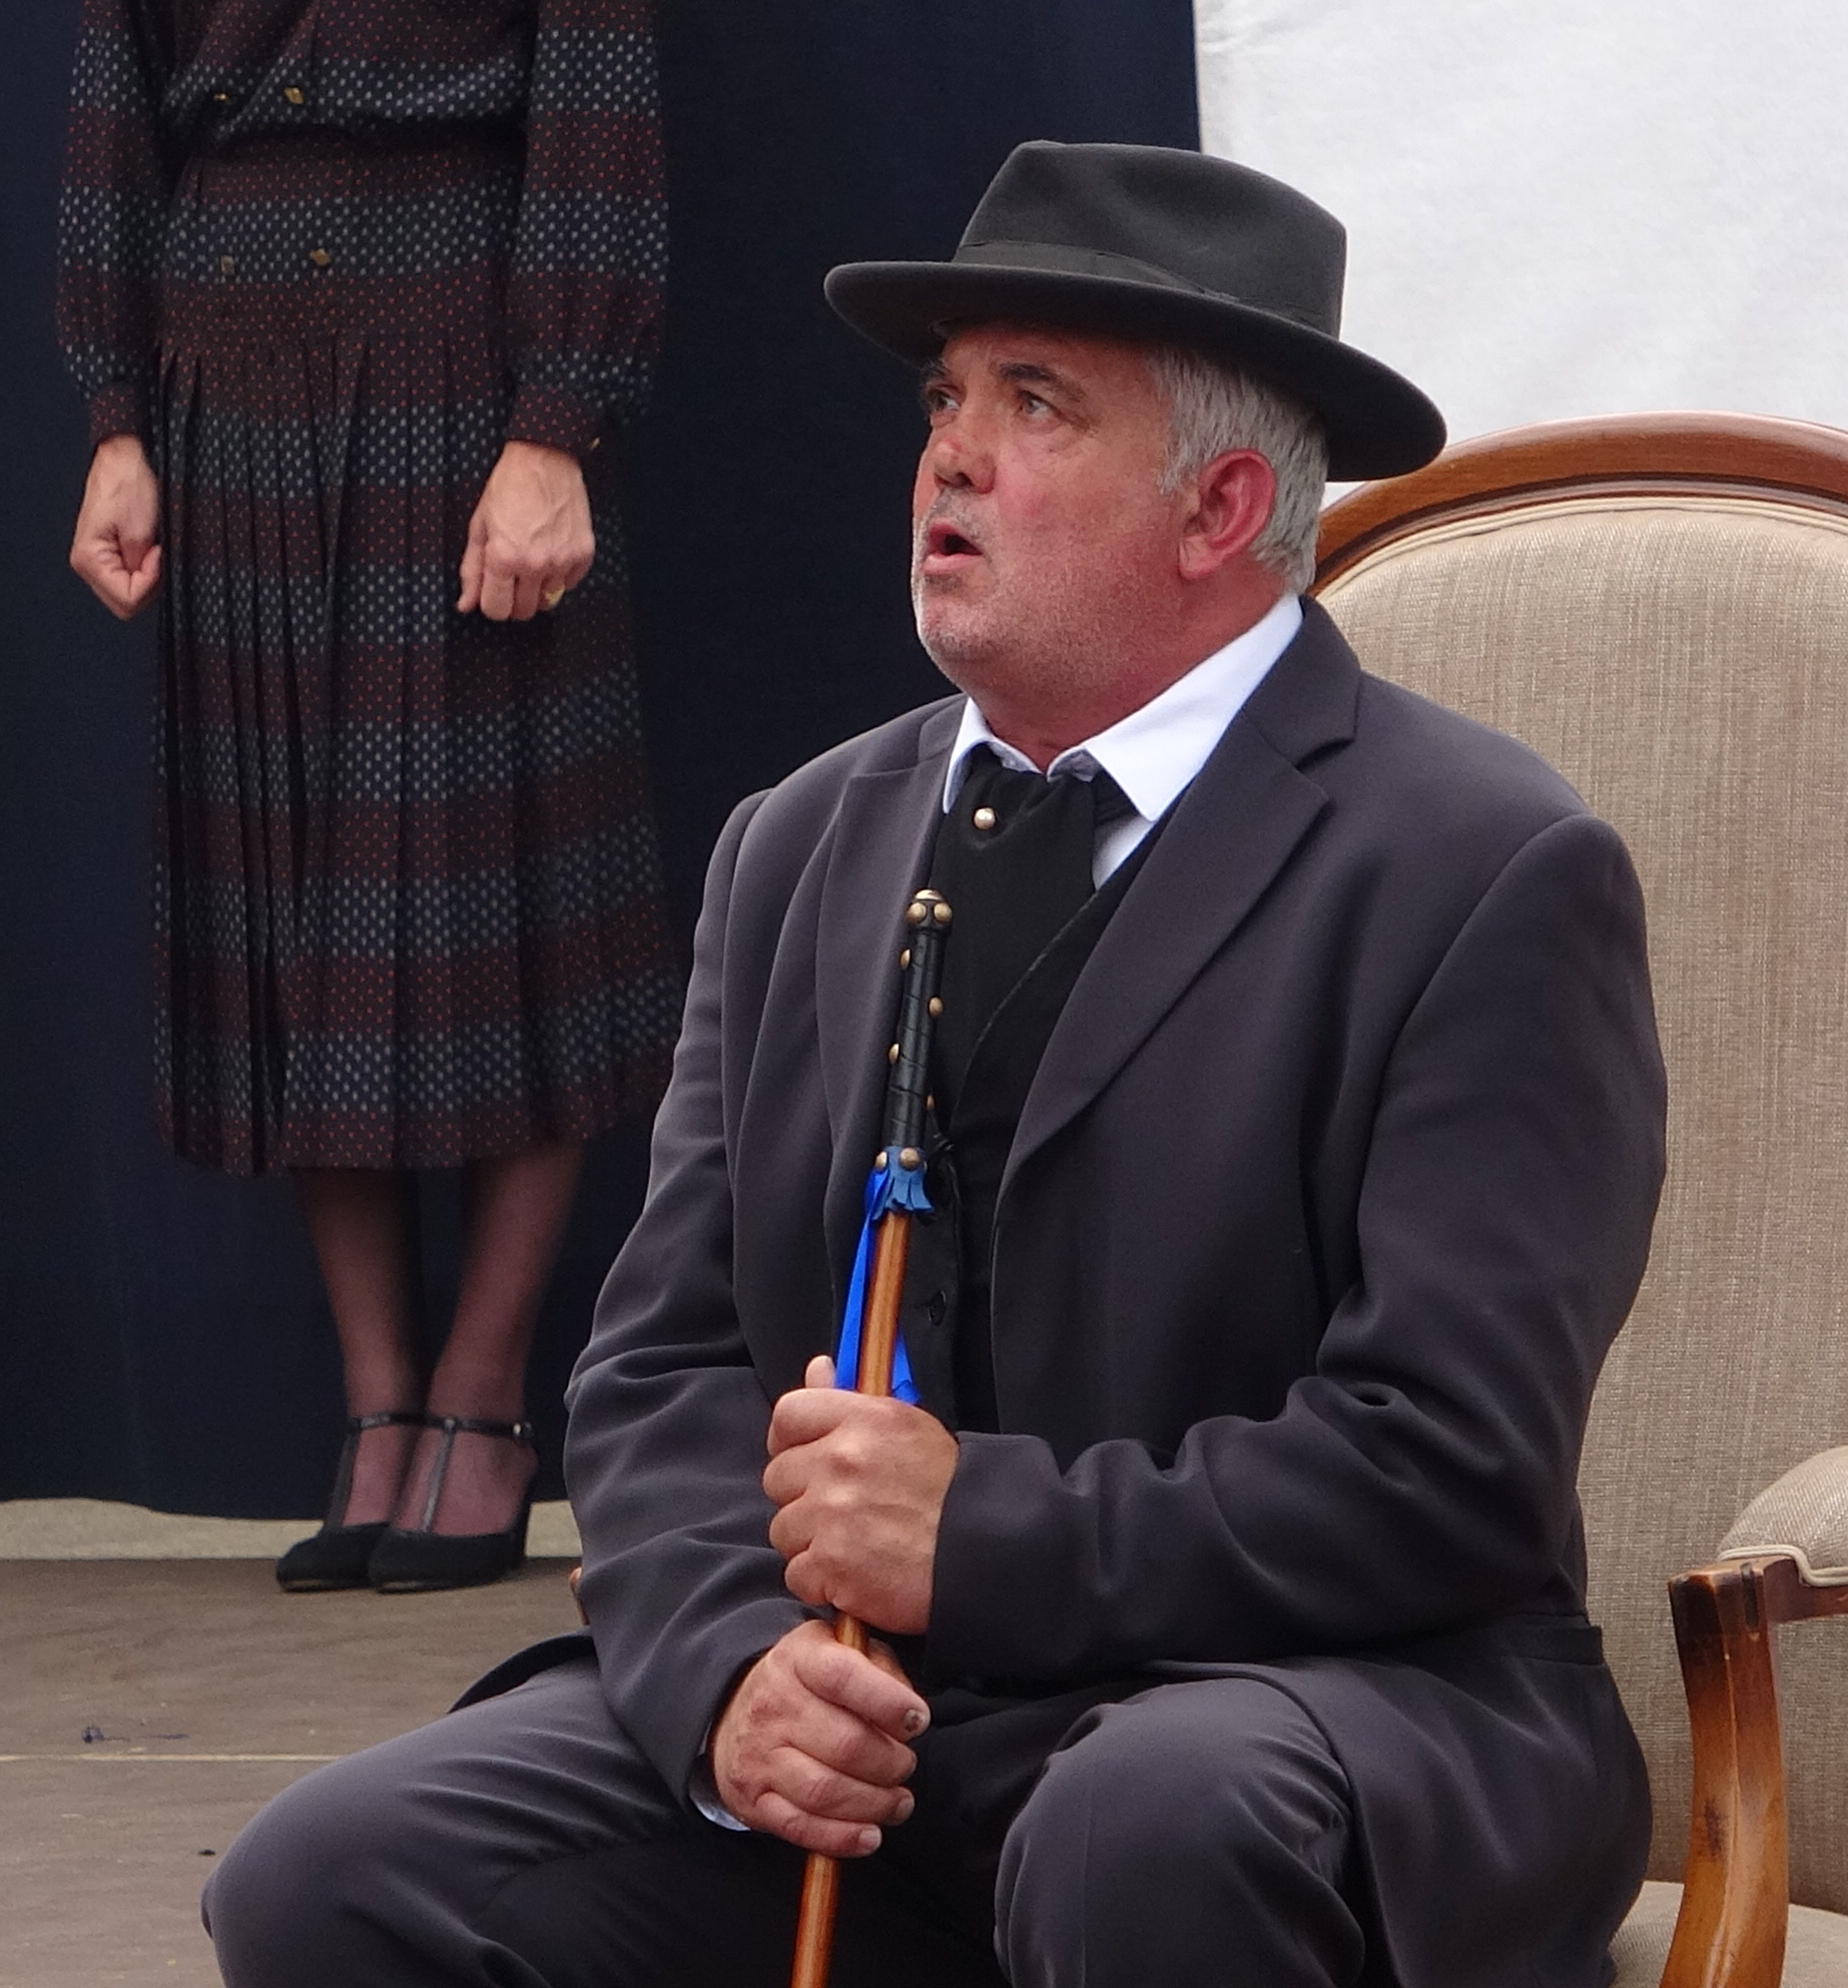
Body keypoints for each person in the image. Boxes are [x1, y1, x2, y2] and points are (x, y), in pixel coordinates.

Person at [205, 141, 1670, 1986]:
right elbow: (663, 1370)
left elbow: (1450, 1463)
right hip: (887, 1722)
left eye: (1032, 405)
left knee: (1145, 1822)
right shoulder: (799, 841)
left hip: (1318, 1708)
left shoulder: (1481, 866)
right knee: (331, 1878)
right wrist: (734, 1671)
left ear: (1220, 506)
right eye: (943, 401)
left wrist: (976, 1541)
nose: (949, 458)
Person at [53, 0, 678, 1595]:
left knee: (507, 906)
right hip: (226, 384)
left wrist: (555, 423)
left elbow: (598, 100)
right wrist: (115, 419)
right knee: (293, 910)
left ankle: (485, 1400)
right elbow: (115, 107)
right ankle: (378, 1403)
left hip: (460, 368)